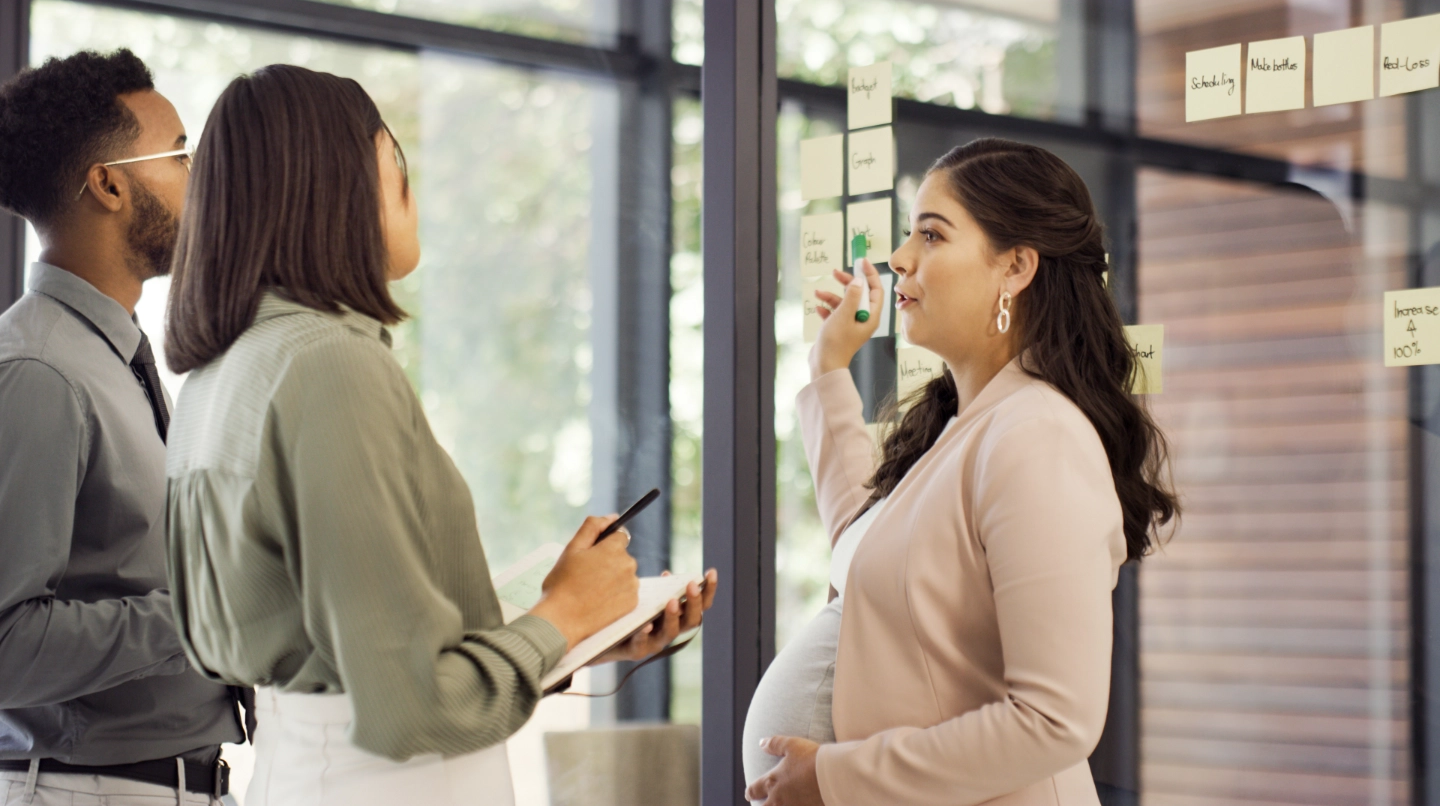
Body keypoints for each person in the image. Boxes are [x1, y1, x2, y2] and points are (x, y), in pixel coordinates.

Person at [161, 63, 717, 806]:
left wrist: (570, 634)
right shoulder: (331, 367)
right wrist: (565, 614)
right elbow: (408, 707)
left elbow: (346, 665)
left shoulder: (217, 378)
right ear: (341, 182)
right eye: (397, 160)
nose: (408, 186)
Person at [746, 138, 1178, 806]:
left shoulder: (1038, 437)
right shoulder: (970, 427)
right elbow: (866, 555)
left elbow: (1056, 720)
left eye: (931, 234)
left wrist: (837, 777)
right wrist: (829, 370)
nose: (898, 258)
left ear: (1015, 267)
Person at [0, 50, 247, 806]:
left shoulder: (116, 357)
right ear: (109, 184)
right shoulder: (40, 372)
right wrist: (207, 611)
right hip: (93, 791)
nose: (200, 174)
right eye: (178, 153)